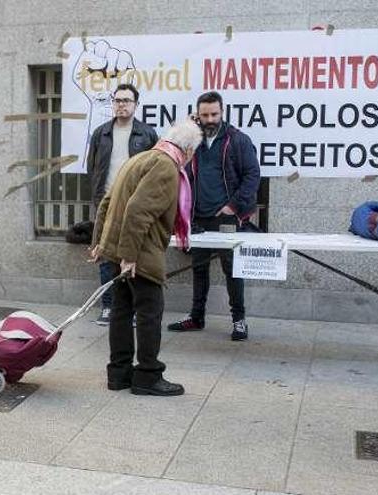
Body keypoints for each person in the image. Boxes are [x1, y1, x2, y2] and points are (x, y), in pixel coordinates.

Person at [90, 118, 202, 396]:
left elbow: (107, 202)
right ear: (188, 151)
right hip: (139, 253)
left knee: (121, 311)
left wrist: (100, 244)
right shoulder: (165, 166)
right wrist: (130, 256)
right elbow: (138, 211)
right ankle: (148, 376)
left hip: (119, 248)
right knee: (150, 312)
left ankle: (119, 373)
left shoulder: (140, 158)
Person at [167, 91, 261, 341]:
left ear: (222, 112)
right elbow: (170, 153)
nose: (210, 119)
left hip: (226, 219)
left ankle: (239, 320)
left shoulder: (237, 140)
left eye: (214, 114)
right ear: (198, 115)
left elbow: (253, 176)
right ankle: (196, 317)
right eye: (204, 115)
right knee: (199, 269)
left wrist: (233, 206)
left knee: (233, 270)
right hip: (198, 217)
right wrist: (187, 127)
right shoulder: (192, 140)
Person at [86, 84, 158, 326]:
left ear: (136, 104)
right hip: (107, 203)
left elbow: (154, 172)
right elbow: (92, 168)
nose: (121, 105)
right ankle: (108, 306)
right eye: (117, 100)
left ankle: (135, 309)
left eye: (126, 100)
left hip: (135, 205)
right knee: (107, 256)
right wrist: (98, 200)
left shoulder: (147, 134)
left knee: (134, 256)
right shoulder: (100, 133)